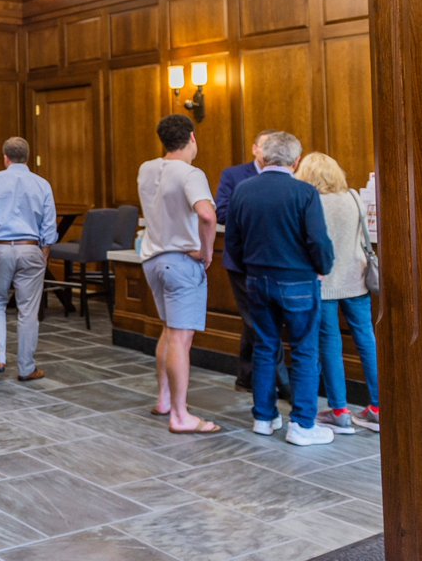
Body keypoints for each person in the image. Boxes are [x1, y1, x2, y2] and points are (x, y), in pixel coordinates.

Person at [226, 131, 336, 446]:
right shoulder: (304, 192)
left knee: (264, 347)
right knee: (304, 350)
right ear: (296, 160)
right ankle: (302, 424)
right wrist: (323, 267)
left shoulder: (243, 190)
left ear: (264, 156)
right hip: (298, 281)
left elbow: (233, 240)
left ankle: (264, 417)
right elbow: (318, 239)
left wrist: (252, 269)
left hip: (257, 280)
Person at [136, 115, 222, 434]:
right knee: (181, 339)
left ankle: (164, 400)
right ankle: (181, 415)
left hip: (152, 259)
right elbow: (207, 215)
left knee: (169, 331)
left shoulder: (146, 168)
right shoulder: (190, 173)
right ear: (192, 138)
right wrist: (206, 251)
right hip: (181, 260)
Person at [295, 151, 380, 433]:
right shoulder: (354, 197)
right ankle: (379, 407)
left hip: (325, 282)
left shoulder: (310, 202)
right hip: (356, 277)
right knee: (366, 339)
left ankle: (340, 410)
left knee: (330, 345)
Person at [0, 137, 56, 382]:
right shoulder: (42, 184)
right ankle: (27, 367)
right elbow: (49, 226)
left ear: (5, 157)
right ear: (27, 157)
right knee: (28, 310)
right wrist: (44, 253)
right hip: (30, 248)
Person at [215, 132, 291, 397]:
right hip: (242, 261)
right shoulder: (235, 176)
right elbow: (221, 212)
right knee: (260, 322)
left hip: (276, 260)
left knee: (256, 322)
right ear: (255, 149)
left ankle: (246, 377)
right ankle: (282, 383)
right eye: (264, 144)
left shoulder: (289, 177)